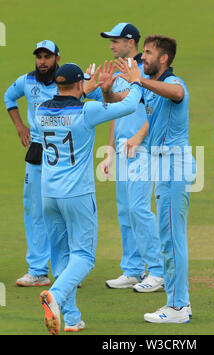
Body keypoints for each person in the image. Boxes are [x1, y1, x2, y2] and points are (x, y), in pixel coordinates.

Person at [36, 62, 143, 335]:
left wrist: (89, 89)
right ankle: (56, 296)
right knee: (83, 256)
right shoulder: (86, 111)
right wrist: (135, 82)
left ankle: (71, 318)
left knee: (61, 258)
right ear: (78, 84)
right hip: (77, 194)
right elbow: (129, 106)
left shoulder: (41, 110)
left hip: (48, 193)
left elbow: (72, 102)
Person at [116, 35, 195, 323]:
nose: (142, 57)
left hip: (174, 165)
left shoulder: (176, 82)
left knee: (172, 239)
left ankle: (177, 307)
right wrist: (104, 92)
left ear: (164, 59)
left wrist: (140, 81)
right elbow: (123, 103)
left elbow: (176, 94)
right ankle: (179, 303)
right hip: (163, 166)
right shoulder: (149, 89)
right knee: (169, 238)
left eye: (147, 53)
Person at [98, 23, 164, 292]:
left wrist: (138, 137)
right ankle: (133, 269)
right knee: (125, 211)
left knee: (139, 209)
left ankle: (158, 271)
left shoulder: (144, 71)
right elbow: (117, 112)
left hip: (143, 149)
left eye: (116, 40)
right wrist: (110, 151)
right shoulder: (119, 72)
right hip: (124, 151)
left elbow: (157, 110)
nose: (112, 45)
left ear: (131, 42)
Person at [4, 40, 60, 287]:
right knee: (34, 210)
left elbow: (95, 93)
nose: (42, 62)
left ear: (57, 58)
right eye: (39, 57)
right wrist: (19, 126)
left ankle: (66, 270)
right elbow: (8, 97)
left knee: (62, 211)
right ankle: (38, 270)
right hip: (37, 150)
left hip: (62, 152)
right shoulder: (27, 81)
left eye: (47, 57)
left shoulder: (67, 79)